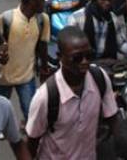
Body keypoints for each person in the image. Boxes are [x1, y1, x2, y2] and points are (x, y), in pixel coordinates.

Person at [25, 26, 119, 159]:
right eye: (77, 58)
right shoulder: (45, 97)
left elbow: (112, 118)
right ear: (60, 57)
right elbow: (32, 142)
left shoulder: (99, 78)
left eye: (89, 55)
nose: (85, 62)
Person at [0, 0, 49, 122]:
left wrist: (44, 68)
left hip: (27, 77)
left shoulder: (43, 19)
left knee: (31, 113)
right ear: (32, 2)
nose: (44, 2)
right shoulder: (6, 18)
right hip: (3, 77)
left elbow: (43, 45)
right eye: (42, 0)